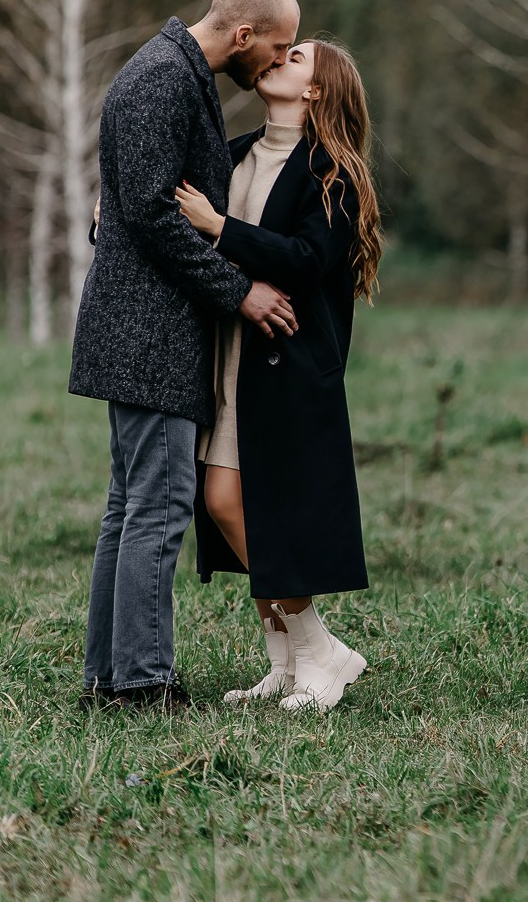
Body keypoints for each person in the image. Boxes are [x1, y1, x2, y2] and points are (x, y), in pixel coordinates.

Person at [70, 0, 303, 711]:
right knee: (159, 507)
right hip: (149, 333)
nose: (276, 61)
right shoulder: (161, 78)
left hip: (146, 329)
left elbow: (152, 186)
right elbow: (151, 213)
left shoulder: (180, 75)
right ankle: (141, 683)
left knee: (130, 506)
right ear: (243, 36)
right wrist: (242, 291)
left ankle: (112, 677)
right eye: (277, 47)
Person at [174, 36, 379, 711]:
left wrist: (218, 227)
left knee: (257, 507)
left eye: (297, 59)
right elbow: (174, 214)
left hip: (290, 366)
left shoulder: (334, 173)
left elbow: (303, 259)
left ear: (317, 91)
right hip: (230, 355)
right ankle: (294, 658)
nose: (278, 60)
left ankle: (317, 655)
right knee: (226, 502)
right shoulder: (233, 155)